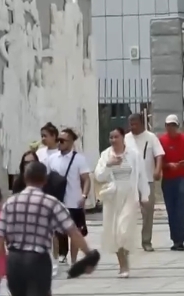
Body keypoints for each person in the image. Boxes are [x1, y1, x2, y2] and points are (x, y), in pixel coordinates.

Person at [0, 162, 96, 296]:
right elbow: (73, 232)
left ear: (25, 178)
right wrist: (89, 255)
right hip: (38, 260)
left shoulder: (10, 203)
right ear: (45, 180)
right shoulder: (51, 203)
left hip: (14, 260)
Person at [95, 128, 151, 277]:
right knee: (115, 233)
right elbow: (99, 176)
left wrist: (145, 196)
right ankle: (123, 265)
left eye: (116, 137)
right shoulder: (106, 155)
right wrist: (109, 165)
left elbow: (141, 176)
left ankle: (125, 256)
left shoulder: (133, 154)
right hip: (113, 196)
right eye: (111, 137)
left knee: (124, 230)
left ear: (122, 137)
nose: (113, 140)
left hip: (129, 195)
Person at [44, 128, 91, 264]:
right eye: (58, 140)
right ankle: (57, 258)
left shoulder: (79, 159)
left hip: (73, 201)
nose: (59, 143)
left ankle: (74, 260)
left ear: (71, 142)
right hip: (57, 201)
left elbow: (86, 179)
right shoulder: (52, 159)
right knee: (56, 232)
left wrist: (84, 196)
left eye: (63, 140)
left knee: (74, 232)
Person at [123, 113, 165, 252]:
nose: (133, 127)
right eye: (131, 124)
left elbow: (159, 155)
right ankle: (126, 241)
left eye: (135, 124)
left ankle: (146, 241)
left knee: (147, 212)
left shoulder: (151, 137)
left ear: (142, 123)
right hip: (129, 181)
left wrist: (158, 170)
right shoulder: (126, 138)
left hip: (147, 180)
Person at [158, 114, 184, 251]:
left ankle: (180, 240)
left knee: (181, 210)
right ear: (165, 126)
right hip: (168, 179)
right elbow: (159, 161)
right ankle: (175, 239)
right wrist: (168, 165)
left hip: (181, 178)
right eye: (168, 125)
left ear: (177, 126)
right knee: (171, 211)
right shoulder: (161, 140)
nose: (171, 128)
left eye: (173, 125)